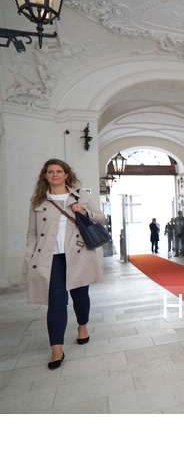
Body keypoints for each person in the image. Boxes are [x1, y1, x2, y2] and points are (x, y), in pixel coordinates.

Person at [23, 158, 107, 370]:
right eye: (50, 171)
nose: (55, 175)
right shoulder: (38, 201)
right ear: (45, 176)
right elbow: (32, 234)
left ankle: (82, 326)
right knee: (56, 303)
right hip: (50, 259)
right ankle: (57, 349)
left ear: (66, 174)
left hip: (78, 256)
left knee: (80, 297)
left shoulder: (81, 196)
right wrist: (30, 258)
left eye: (59, 171)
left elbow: (101, 218)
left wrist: (84, 211)